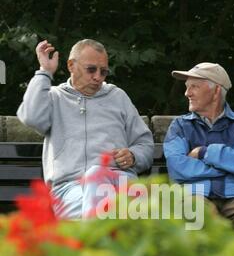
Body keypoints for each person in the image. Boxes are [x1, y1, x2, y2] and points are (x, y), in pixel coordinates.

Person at [17, 39, 154, 219]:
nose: (98, 77)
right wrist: (44, 72)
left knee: (102, 197)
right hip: (70, 189)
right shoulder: (54, 97)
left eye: (103, 72)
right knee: (98, 188)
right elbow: (31, 117)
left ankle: (99, 237)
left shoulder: (118, 97)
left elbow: (145, 144)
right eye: (91, 69)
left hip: (121, 183)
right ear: (71, 66)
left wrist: (134, 156)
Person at [163, 62, 234, 231]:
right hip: (195, 195)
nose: (187, 93)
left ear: (216, 91)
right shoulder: (180, 125)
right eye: (187, 87)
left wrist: (204, 152)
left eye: (194, 87)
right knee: (195, 212)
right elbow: (177, 167)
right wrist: (229, 166)